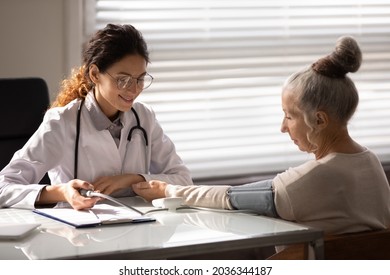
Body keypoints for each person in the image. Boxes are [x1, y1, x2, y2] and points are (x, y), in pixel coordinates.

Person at [133, 36, 390, 235]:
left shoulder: (316, 177)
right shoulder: (370, 163)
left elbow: (230, 198)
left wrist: (168, 190)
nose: (283, 127)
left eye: (289, 116)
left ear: (319, 120)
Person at [0, 24, 192, 210]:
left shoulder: (144, 117)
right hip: (78, 234)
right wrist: (62, 192)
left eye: (140, 79)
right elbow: (3, 188)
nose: (134, 90)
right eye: (123, 79)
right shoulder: (61, 122)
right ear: (95, 74)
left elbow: (182, 179)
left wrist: (133, 178)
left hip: (139, 228)